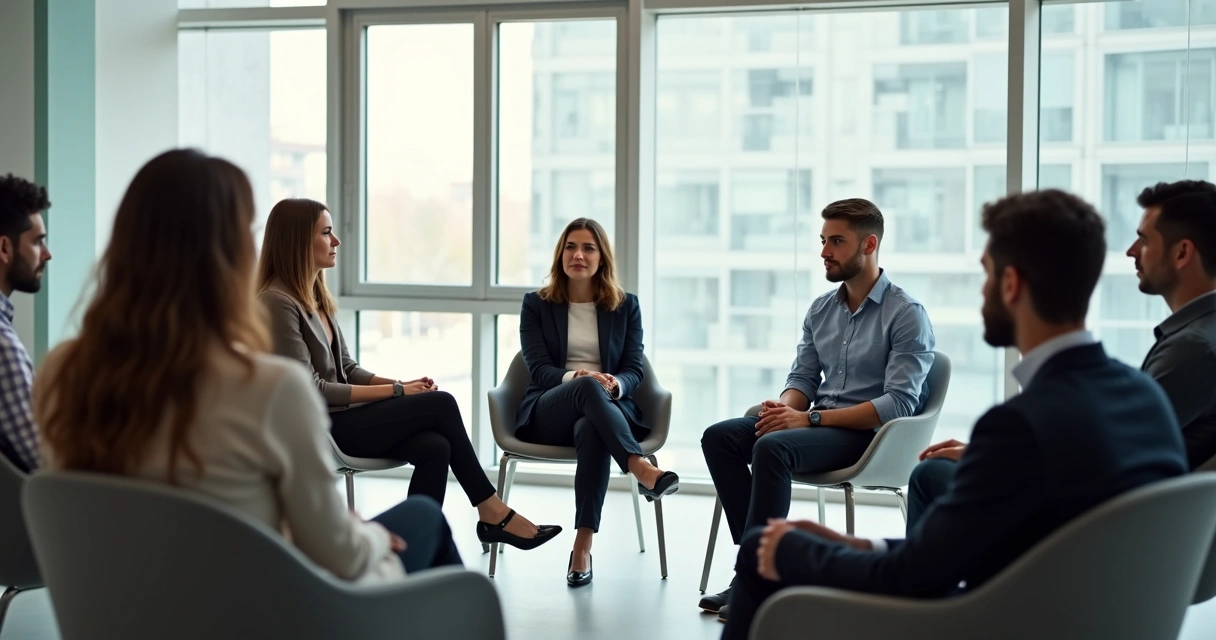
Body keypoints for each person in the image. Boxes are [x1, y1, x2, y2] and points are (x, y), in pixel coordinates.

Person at [720, 189, 1188, 640]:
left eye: (986, 274)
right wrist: (858, 543)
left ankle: (755, 566)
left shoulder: (1018, 424)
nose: (982, 290)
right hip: (1085, 613)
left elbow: (915, 574)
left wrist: (804, 548)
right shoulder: (1145, 396)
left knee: (774, 552)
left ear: (1011, 285)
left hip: (1002, 619)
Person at [34, 149, 460, 579]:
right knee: (424, 518)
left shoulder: (61, 375)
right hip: (263, 612)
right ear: (229, 256)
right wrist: (369, 534)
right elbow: (340, 557)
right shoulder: (272, 389)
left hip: (124, 610)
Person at [907, 179, 1216, 531]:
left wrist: (993, 454)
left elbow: (1107, 448)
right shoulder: (1197, 337)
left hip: (1103, 525)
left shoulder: (1194, 349)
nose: (1131, 251)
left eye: (1144, 240)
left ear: (1182, 253)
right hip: (1137, 522)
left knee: (930, 475)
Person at [258, 197, 560, 552]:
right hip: (324, 431)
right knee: (442, 404)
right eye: (326, 233)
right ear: (297, 241)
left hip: (347, 421)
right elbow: (314, 390)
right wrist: (399, 392)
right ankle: (491, 510)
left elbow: (348, 369)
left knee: (436, 447)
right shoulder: (277, 302)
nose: (337, 241)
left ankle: (414, 549)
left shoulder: (314, 295)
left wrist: (401, 384)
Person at [699, 198, 935, 615]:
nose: (824, 251)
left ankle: (756, 581)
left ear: (869, 244)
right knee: (720, 437)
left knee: (773, 449)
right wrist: (782, 410)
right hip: (817, 424)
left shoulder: (906, 313)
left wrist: (805, 419)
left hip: (869, 437)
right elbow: (803, 380)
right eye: (823, 240)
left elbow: (898, 404)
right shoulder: (821, 309)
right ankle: (759, 561)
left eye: (837, 241)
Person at [516, 217, 676, 586]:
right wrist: (582, 377)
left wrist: (615, 384)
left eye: (589, 248)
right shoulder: (536, 305)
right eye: (571, 246)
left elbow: (634, 368)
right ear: (560, 255)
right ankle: (639, 468)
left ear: (602, 258)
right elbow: (538, 369)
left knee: (591, 426)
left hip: (603, 414)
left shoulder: (625, 306)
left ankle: (582, 547)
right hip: (547, 410)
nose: (579, 255)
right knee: (587, 387)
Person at [0, 174, 51, 472]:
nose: (47, 254)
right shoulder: (4, 347)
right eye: (38, 241)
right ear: (4, 248)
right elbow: (46, 463)